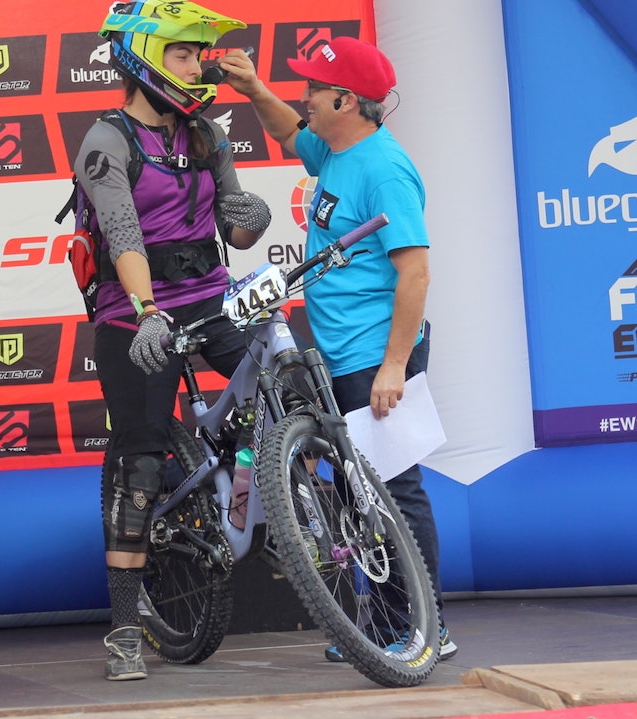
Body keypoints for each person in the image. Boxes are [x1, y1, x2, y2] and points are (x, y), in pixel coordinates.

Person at [218, 36, 457, 661]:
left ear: (346, 99)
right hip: (342, 357)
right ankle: (381, 628)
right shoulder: (337, 151)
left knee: (395, 490)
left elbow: (416, 274)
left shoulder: (384, 169)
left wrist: (395, 367)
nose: (306, 99)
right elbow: (293, 132)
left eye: (315, 91)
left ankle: (427, 630)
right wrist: (252, 88)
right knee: (357, 493)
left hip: (376, 359)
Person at [77, 1, 272, 681]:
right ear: (141, 59)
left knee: (278, 370)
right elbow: (123, 238)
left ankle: (254, 492)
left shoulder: (207, 133)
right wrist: (148, 310)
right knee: (138, 462)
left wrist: (252, 218)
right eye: (183, 54)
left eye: (198, 54)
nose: (197, 65)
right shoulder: (107, 141)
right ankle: (125, 632)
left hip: (211, 297)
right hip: (134, 316)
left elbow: (236, 228)